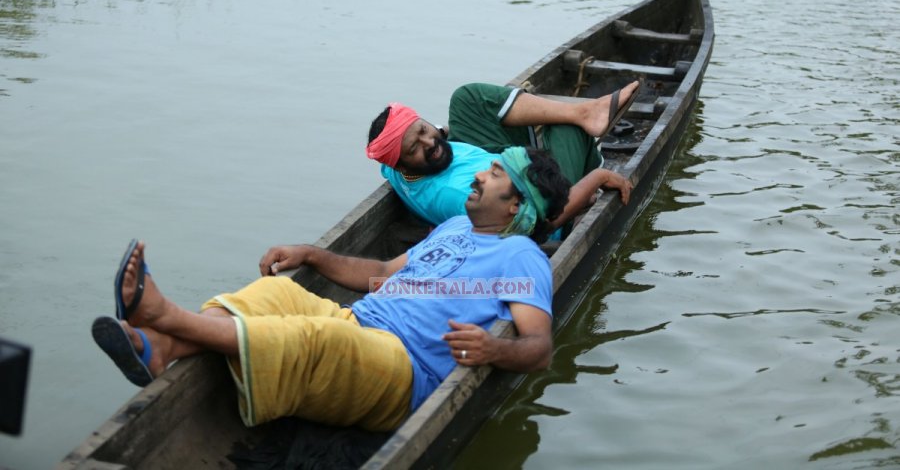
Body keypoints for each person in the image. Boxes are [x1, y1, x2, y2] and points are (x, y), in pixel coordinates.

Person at [92, 147, 570, 432]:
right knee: (274, 296)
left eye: (495, 175)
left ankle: (167, 319)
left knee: (312, 338)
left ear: (515, 208)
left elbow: (538, 347)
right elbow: (382, 271)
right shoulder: (451, 228)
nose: (478, 175)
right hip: (361, 321)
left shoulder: (521, 258)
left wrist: (491, 348)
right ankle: (161, 348)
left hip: (405, 369)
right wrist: (314, 255)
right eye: (487, 169)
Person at [366, 82, 638, 234]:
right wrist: (596, 179)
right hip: (549, 199)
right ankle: (587, 155)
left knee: (465, 100)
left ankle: (585, 112)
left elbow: (417, 139)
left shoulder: (394, 166)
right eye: (415, 148)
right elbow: (540, 226)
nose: (430, 143)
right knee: (565, 128)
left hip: (508, 164)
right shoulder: (457, 193)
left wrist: (443, 131)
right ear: (401, 163)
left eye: (424, 130)